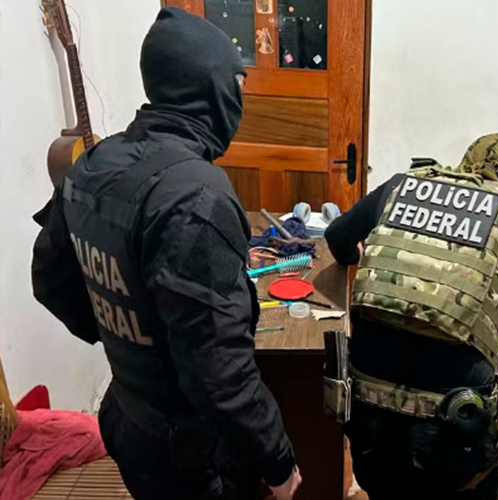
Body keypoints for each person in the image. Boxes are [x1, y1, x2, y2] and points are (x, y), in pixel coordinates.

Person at [31, 8, 301, 500]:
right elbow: (220, 372)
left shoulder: (93, 164)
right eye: (237, 85)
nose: (241, 99)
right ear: (209, 86)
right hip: (192, 455)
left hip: (128, 417)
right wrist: (279, 463)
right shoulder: (196, 195)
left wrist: (126, 336)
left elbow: (51, 280)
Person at [324, 133, 498, 499]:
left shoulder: (404, 187)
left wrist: (372, 268)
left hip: (367, 432)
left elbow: (337, 237)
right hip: (456, 444)